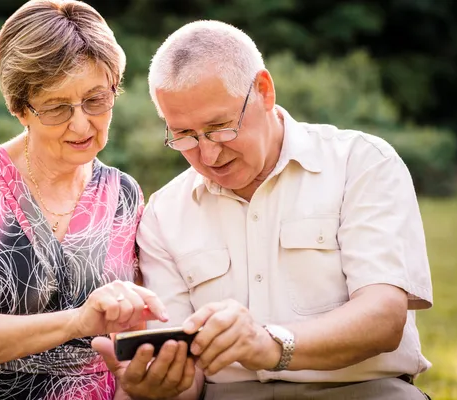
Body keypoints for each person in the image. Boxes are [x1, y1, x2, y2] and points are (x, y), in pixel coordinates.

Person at [92, 20, 433, 399]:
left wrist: (269, 344)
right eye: (184, 135)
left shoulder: (362, 163)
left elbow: (384, 319)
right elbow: (187, 381)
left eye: (220, 126)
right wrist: (157, 385)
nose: (208, 154)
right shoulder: (164, 212)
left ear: (264, 91)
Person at [0, 1, 169, 399]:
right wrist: (78, 322)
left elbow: (133, 333)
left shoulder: (123, 193)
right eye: (56, 108)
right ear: (20, 108)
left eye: (96, 100)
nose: (82, 123)